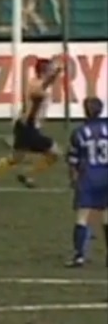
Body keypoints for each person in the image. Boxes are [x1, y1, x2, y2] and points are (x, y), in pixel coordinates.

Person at [0, 57, 63, 192]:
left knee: (16, 157)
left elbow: (47, 83)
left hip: (24, 126)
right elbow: (44, 86)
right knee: (55, 153)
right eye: (49, 69)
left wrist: (56, 73)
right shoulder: (37, 86)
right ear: (44, 71)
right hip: (29, 127)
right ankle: (28, 174)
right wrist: (56, 72)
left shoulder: (35, 82)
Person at [66, 96, 108, 268]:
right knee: (106, 215)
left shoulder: (79, 133)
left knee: (82, 216)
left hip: (88, 178)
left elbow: (73, 160)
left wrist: (73, 179)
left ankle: (79, 256)